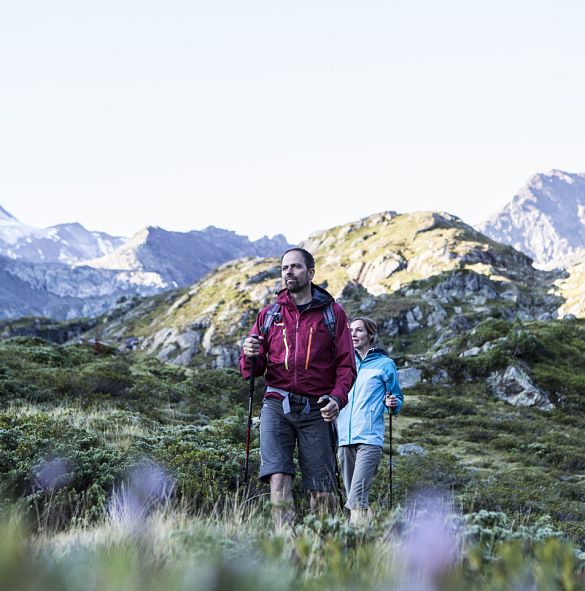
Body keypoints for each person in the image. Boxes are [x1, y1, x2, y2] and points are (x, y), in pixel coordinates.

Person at [240, 247, 356, 528]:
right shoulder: (269, 314)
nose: (288, 272)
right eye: (284, 268)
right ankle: (287, 550)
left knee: (323, 492)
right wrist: (249, 353)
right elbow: (252, 371)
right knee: (278, 480)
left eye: (295, 267)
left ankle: (322, 553)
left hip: (316, 408)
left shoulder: (332, 314)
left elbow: (346, 366)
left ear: (311, 273)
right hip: (276, 403)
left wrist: (337, 399)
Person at [336, 316, 403, 525]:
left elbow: (397, 398)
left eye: (359, 330)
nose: (353, 334)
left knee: (356, 498)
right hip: (344, 439)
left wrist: (393, 403)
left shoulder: (385, 364)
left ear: (370, 335)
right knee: (355, 499)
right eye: (350, 330)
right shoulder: (344, 364)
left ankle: (352, 543)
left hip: (369, 439)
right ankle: (370, 536)